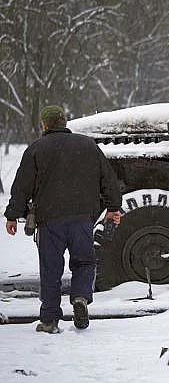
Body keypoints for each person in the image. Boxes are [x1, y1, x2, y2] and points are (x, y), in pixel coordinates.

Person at [4, 105, 122, 333]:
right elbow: (108, 179)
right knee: (84, 262)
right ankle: (80, 297)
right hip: (82, 219)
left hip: (49, 221)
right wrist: (113, 207)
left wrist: (12, 215)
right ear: (64, 123)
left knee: (51, 269)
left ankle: (49, 320)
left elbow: (22, 187)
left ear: (44, 124)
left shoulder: (36, 149)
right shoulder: (88, 145)